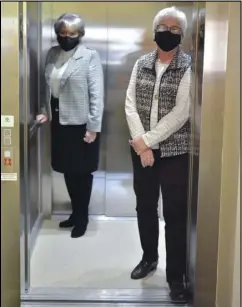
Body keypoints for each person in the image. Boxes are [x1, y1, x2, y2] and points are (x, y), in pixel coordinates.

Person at [125, 6, 191, 302]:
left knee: (175, 214)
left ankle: (175, 277)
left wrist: (146, 142)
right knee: (145, 207)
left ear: (182, 34)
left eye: (175, 28)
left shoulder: (189, 66)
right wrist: (143, 145)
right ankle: (149, 258)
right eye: (164, 26)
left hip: (176, 151)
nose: (169, 32)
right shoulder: (141, 63)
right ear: (154, 31)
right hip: (142, 150)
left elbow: (181, 113)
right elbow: (129, 104)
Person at [37, 13, 104, 238]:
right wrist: (46, 112)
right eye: (62, 33)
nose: (66, 37)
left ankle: (82, 217)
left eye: (72, 34)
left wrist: (93, 126)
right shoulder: (53, 54)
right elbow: (49, 88)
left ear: (80, 35)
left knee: (82, 173)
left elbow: (96, 94)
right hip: (59, 122)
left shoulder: (89, 57)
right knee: (67, 169)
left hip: (82, 124)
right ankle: (75, 214)